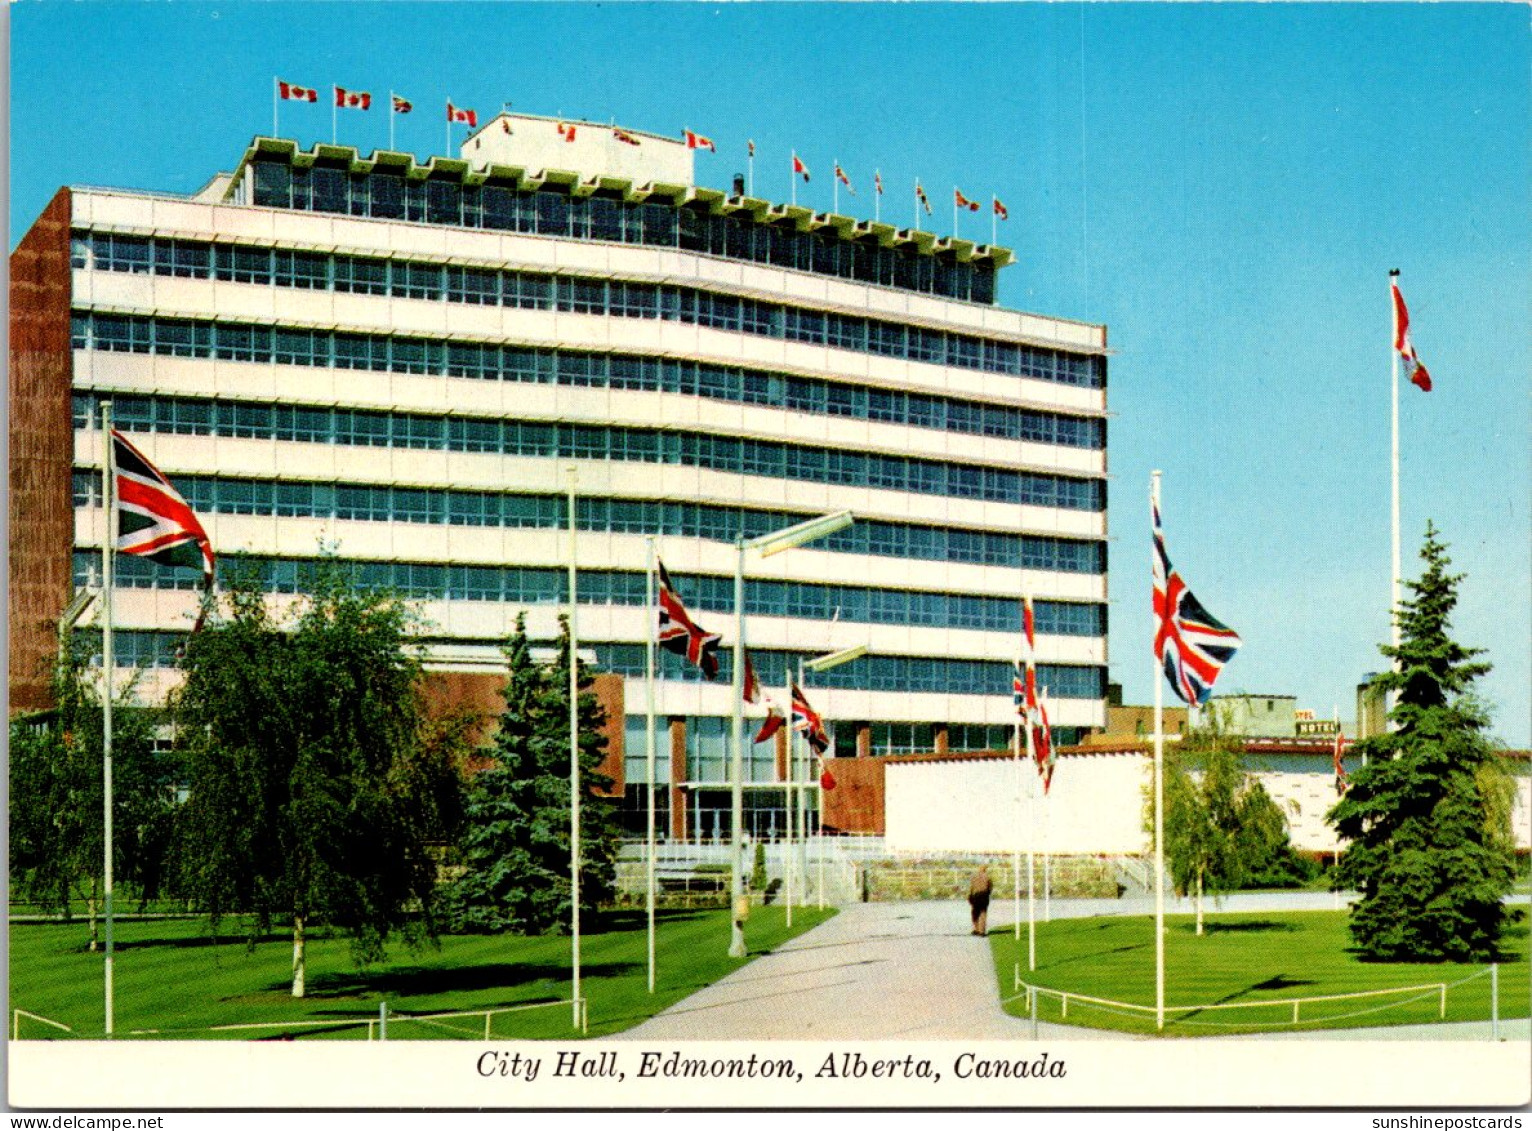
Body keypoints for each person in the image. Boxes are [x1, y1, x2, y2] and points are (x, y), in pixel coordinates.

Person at [968, 864, 993, 936]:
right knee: (983, 913)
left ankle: (976, 929)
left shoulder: (974, 877)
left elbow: (971, 887)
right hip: (984, 896)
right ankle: (982, 931)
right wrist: (987, 894)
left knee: (975, 913)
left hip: (975, 896)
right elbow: (990, 888)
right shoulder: (988, 877)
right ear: (985, 869)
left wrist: (970, 896)